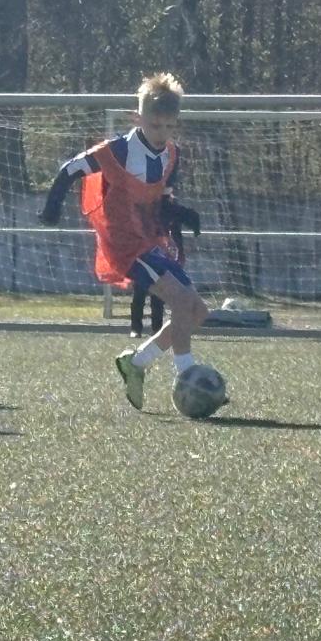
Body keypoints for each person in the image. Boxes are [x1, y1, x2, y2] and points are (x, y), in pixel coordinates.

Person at [41, 74, 206, 411]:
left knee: (197, 311)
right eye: (155, 125)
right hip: (125, 244)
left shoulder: (171, 154)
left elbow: (162, 200)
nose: (161, 133)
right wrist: (52, 207)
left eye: (168, 126)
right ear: (137, 118)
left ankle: (137, 362)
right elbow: (70, 169)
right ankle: (187, 376)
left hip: (150, 240)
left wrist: (181, 214)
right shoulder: (118, 150)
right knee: (180, 300)